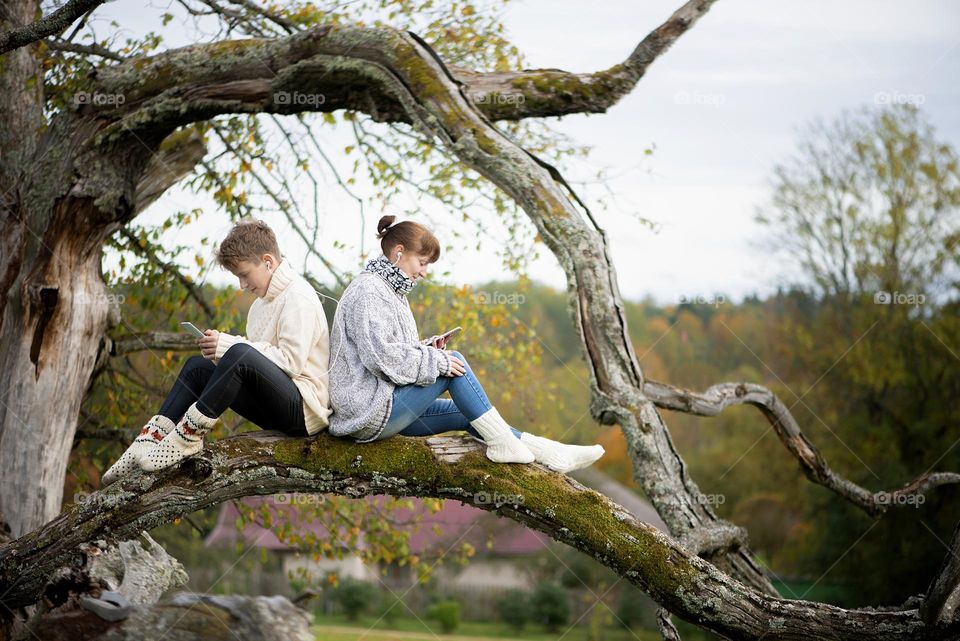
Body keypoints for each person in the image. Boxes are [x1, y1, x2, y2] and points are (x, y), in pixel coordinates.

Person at [326, 215, 605, 473]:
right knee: (454, 363)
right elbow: (381, 357)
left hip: (384, 403)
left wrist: (427, 349)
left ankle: (549, 452)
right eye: (422, 263)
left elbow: (394, 350)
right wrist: (439, 361)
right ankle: (508, 445)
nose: (424, 272)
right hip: (367, 412)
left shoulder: (390, 290)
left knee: (467, 410)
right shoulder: (369, 290)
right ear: (399, 252)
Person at [102, 218, 332, 485]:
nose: (242, 285)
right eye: (238, 278)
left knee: (238, 354)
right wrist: (221, 350)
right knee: (197, 368)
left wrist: (230, 346)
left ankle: (188, 437)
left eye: (244, 274)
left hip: (303, 412)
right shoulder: (260, 305)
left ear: (268, 261)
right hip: (274, 406)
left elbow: (290, 362)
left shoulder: (298, 297)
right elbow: (259, 358)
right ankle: (149, 440)